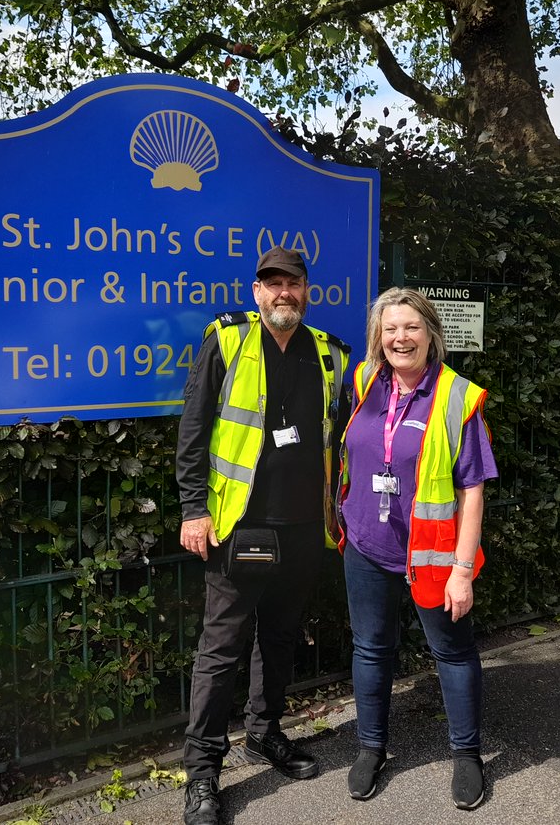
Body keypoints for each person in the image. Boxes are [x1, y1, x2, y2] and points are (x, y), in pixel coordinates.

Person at [176, 246, 350, 825]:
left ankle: (264, 732)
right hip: (237, 526)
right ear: (256, 292)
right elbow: (194, 428)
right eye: (271, 283)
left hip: (303, 528)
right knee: (221, 650)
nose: (283, 293)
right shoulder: (228, 340)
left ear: (306, 291)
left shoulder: (328, 353)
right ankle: (202, 774)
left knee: (279, 638)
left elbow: (346, 437)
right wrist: (193, 509)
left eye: (292, 283)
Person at [334, 286, 497, 810]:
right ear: (377, 338)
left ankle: (467, 753)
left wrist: (463, 570)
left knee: (451, 652)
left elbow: (472, 490)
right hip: (364, 544)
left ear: (431, 333)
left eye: (411, 327)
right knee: (370, 649)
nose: (400, 338)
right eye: (390, 329)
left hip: (433, 555)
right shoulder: (362, 382)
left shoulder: (456, 397)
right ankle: (371, 747)